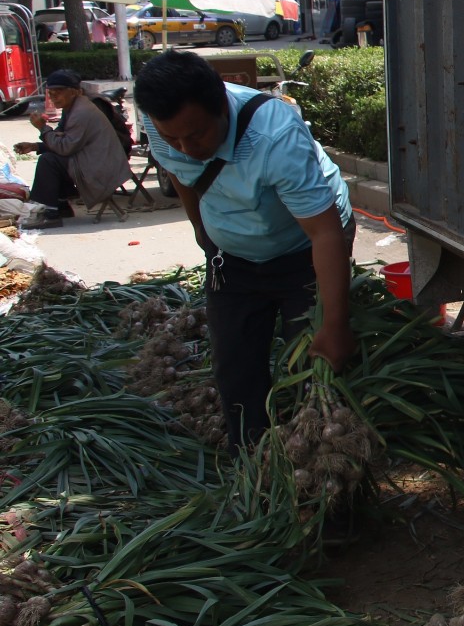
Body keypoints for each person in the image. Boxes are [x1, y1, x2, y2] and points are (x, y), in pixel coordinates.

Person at [134, 50, 357, 450]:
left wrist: (335, 325)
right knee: (235, 368)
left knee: (310, 364)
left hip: (304, 251)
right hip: (233, 258)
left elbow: (325, 235)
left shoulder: (274, 136)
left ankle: (318, 470)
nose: (184, 147)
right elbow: (183, 175)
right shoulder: (164, 125)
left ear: (221, 104)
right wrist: (205, 235)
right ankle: (252, 467)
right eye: (172, 138)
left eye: (197, 134)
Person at [11, 70, 133, 230]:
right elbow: (61, 139)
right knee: (51, 156)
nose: (54, 97)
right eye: (51, 93)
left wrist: (43, 128)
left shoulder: (82, 112)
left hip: (103, 168)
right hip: (95, 161)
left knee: (48, 161)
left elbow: (65, 147)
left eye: (59, 92)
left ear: (76, 91)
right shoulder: (74, 108)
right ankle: (60, 205)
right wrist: (35, 146)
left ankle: (50, 213)